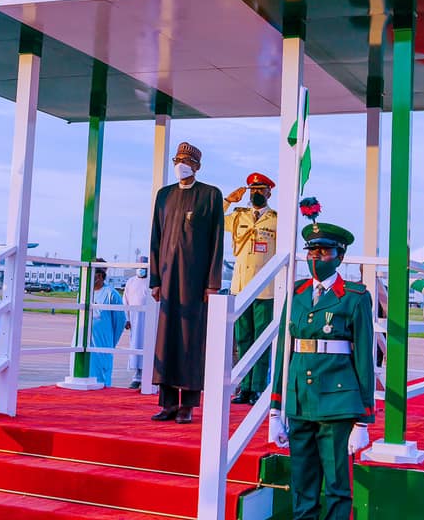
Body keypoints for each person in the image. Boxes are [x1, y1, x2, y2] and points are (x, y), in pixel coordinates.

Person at [268, 218, 375, 520]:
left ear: (339, 256)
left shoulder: (355, 297)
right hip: (300, 400)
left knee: (338, 485)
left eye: (324, 252)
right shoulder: (298, 292)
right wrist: (276, 410)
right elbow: (283, 353)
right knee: (303, 482)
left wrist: (364, 420)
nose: (316, 258)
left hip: (337, 403)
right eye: (311, 252)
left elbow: (364, 358)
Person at [149, 141, 224, 424]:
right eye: (177, 159)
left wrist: (212, 283)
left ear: (197, 166)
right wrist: (155, 279)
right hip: (167, 281)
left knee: (191, 340)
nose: (181, 164)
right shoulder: (164, 195)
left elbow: (217, 241)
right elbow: (155, 237)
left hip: (196, 284)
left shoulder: (210, 195)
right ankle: (167, 403)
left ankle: (188, 404)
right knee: (166, 340)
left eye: (186, 160)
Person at [224, 172, 277, 406]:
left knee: (261, 340)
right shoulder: (238, 216)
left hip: (266, 289)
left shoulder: (277, 219)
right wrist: (228, 200)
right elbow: (213, 218)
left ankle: (257, 388)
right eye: (252, 190)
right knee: (243, 339)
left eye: (260, 189)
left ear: (269, 192)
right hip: (241, 287)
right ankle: (244, 387)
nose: (256, 193)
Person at [86, 259, 125, 387]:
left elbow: (119, 322)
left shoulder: (111, 294)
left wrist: (110, 342)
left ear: (99, 276)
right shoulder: (84, 293)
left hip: (102, 343)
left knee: (101, 378)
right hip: (84, 341)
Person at [123, 254, 153, 389]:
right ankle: (136, 377)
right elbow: (125, 301)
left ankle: (149, 377)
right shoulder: (131, 282)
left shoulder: (152, 282)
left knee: (149, 346)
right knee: (135, 346)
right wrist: (127, 319)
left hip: (149, 320)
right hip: (134, 320)